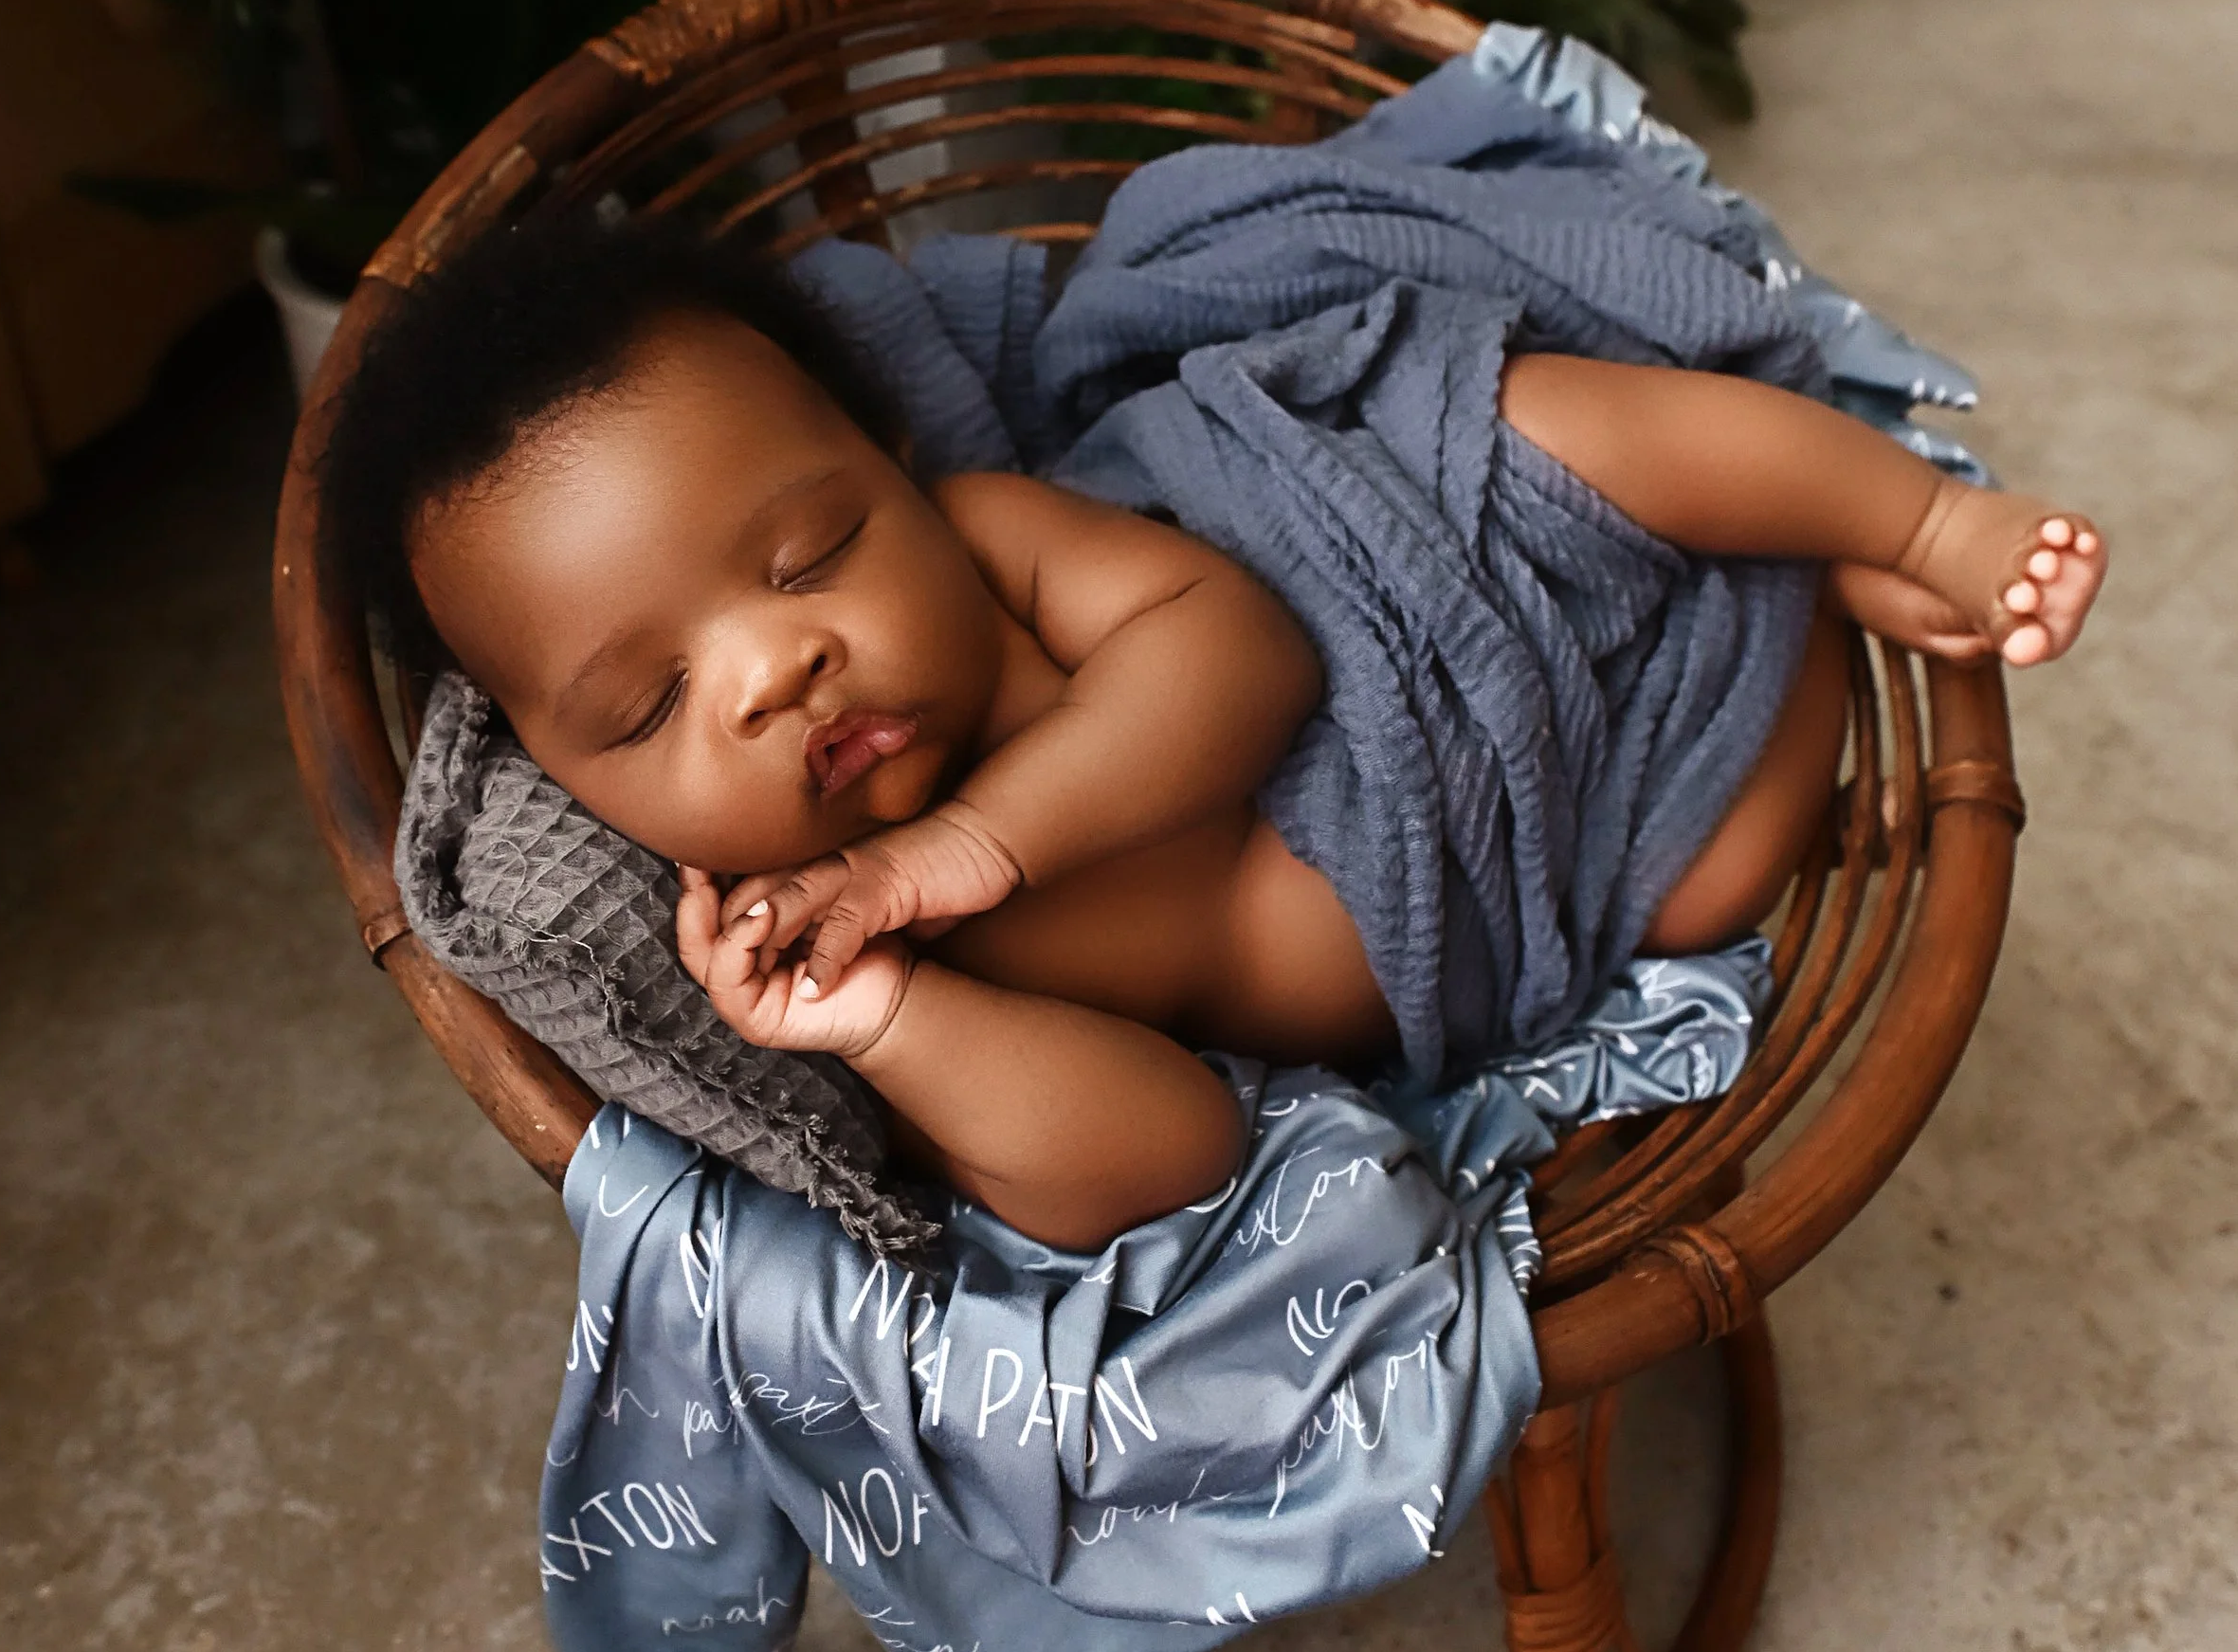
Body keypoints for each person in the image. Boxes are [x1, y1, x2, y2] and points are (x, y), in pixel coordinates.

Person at [328, 209, 2102, 1259]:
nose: (777, 665)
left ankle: (1909, 516)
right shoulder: (837, 948)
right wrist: (891, 1021)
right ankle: (1795, 596)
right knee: (1719, 881)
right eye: (648, 707)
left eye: (813, 551)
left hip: (1415, 580)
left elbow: (1235, 651)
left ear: (901, 477)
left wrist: (972, 843)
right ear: (578, 790)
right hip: (1512, 907)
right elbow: (1159, 1159)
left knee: (1554, 425)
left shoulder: (1001, 546)